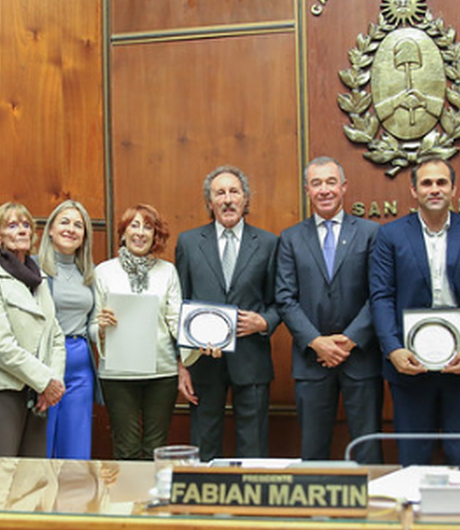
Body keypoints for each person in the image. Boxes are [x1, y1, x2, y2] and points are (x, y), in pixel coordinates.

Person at [368, 158, 460, 466]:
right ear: (414, 190)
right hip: (410, 366)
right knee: (413, 460)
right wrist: (393, 350)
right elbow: (381, 296)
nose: (434, 189)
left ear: (454, 188)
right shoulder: (391, 235)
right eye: (427, 183)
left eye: (441, 182)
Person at [276, 157, 382, 463]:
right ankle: (314, 512)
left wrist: (349, 339)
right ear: (307, 189)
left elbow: (379, 294)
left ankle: (371, 508)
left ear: (344, 187)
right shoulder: (291, 238)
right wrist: (316, 341)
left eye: (331, 182)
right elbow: (285, 297)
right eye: (317, 183)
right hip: (311, 361)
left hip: (360, 359)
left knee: (368, 451)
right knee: (313, 451)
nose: (324, 190)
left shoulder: (370, 233)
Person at [175, 166, 280, 461]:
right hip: (203, 359)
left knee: (254, 444)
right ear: (209, 202)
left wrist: (264, 322)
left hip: (252, 359)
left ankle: (251, 503)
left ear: (246, 199)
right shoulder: (189, 242)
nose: (228, 199)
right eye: (219, 193)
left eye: (234, 192)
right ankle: (205, 505)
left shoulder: (269, 244)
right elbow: (179, 303)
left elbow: (280, 301)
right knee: (204, 441)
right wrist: (182, 364)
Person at [92, 204, 182, 460]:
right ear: (123, 232)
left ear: (155, 235)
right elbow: (91, 324)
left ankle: (152, 501)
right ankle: (126, 501)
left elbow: (176, 320)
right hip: (118, 374)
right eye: (134, 225)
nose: (141, 233)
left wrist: (200, 341)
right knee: (126, 448)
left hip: (161, 372)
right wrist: (100, 326)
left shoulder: (167, 272)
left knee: (156, 449)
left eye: (148, 227)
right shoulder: (103, 271)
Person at [0, 202, 67, 457]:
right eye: (12, 226)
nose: (22, 231)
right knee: (1, 478)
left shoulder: (39, 278)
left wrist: (53, 383)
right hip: (6, 390)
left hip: (40, 394)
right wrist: (44, 380)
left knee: (33, 480)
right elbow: (1, 346)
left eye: (26, 225)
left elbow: (56, 336)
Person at [39, 200, 98, 459]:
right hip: (45, 363)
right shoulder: (32, 268)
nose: (71, 229)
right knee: (42, 440)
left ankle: (73, 501)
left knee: (76, 445)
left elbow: (94, 323)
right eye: (64, 222)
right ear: (50, 229)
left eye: (78, 225)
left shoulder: (89, 274)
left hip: (80, 365)